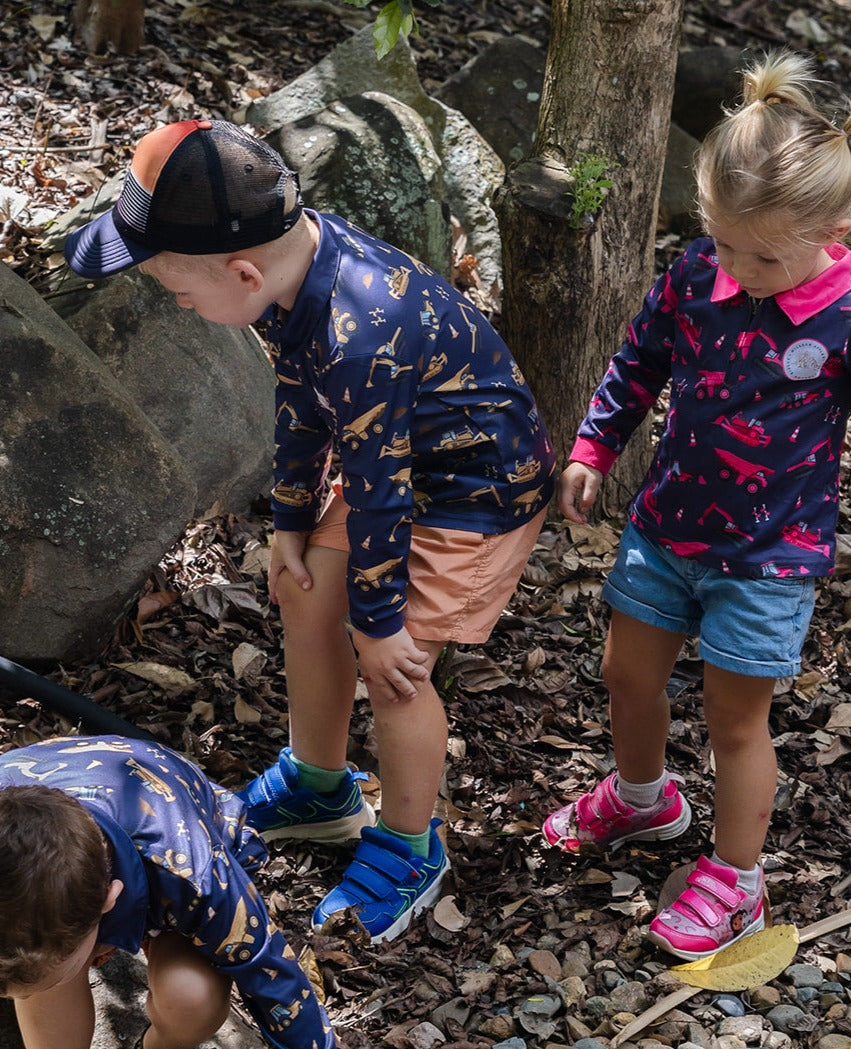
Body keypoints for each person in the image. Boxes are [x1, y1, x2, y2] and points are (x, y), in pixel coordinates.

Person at [64, 120, 556, 945]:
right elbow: (301, 398)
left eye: (177, 292)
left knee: (394, 667)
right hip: (399, 470)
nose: (175, 303)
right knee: (303, 591)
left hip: (476, 488)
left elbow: (379, 496)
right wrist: (292, 518)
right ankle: (319, 785)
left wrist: (383, 618)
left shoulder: (359, 329)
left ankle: (408, 844)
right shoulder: (295, 272)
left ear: (243, 271)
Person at [542, 52, 851, 961]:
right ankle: (643, 800)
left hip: (769, 556)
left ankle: (736, 879)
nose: (737, 267)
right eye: (722, 241)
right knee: (626, 674)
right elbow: (636, 362)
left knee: (735, 719)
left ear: (834, 231)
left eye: (761, 254)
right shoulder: (693, 278)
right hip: (665, 526)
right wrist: (593, 448)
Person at [0, 734, 335, 1049]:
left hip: (174, 838)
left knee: (192, 998)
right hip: (62, 810)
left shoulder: (196, 876)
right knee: (41, 970)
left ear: (109, 901)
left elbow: (274, 978)